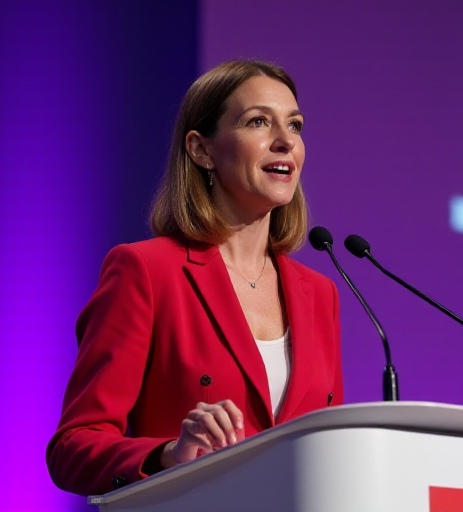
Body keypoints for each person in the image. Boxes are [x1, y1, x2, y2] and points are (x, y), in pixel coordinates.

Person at [46, 60, 343, 496]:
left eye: (295, 126)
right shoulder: (146, 271)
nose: (286, 142)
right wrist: (168, 454)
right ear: (201, 149)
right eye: (259, 121)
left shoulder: (320, 293)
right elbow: (73, 448)